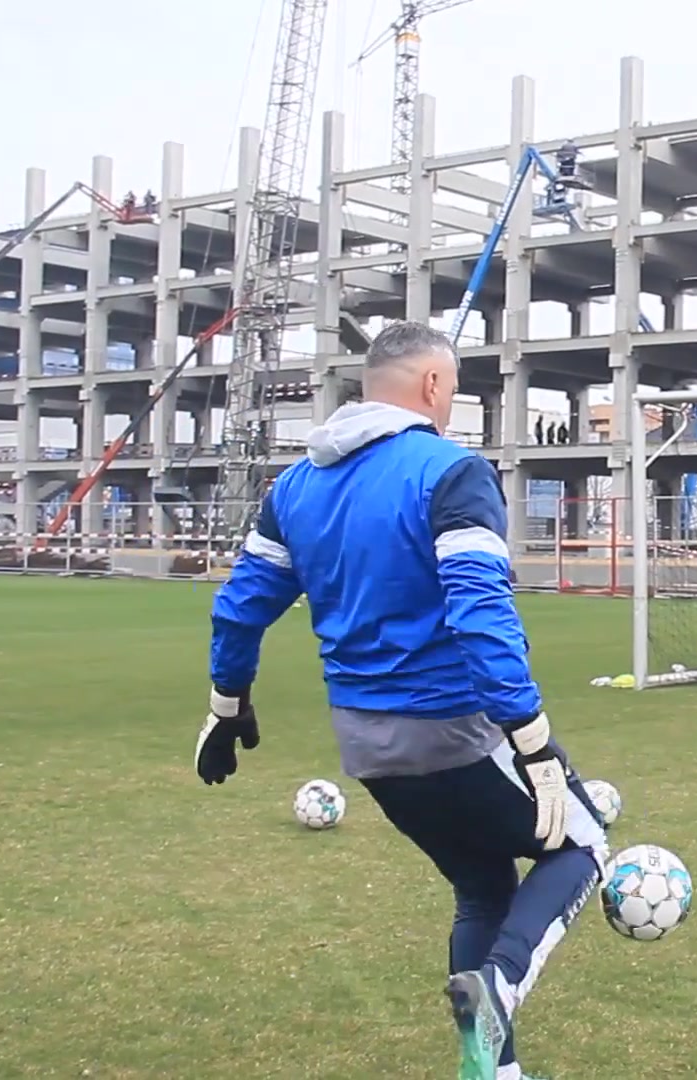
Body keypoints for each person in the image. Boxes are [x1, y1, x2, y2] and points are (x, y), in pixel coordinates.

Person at [195, 321, 607, 1080]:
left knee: (482, 884)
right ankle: (501, 984)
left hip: (367, 749)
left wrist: (228, 705)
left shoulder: (296, 486)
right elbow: (480, 609)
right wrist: (533, 739)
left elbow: (239, 606)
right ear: (432, 386)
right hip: (456, 730)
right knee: (584, 847)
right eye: (451, 388)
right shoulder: (451, 472)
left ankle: (495, 1072)